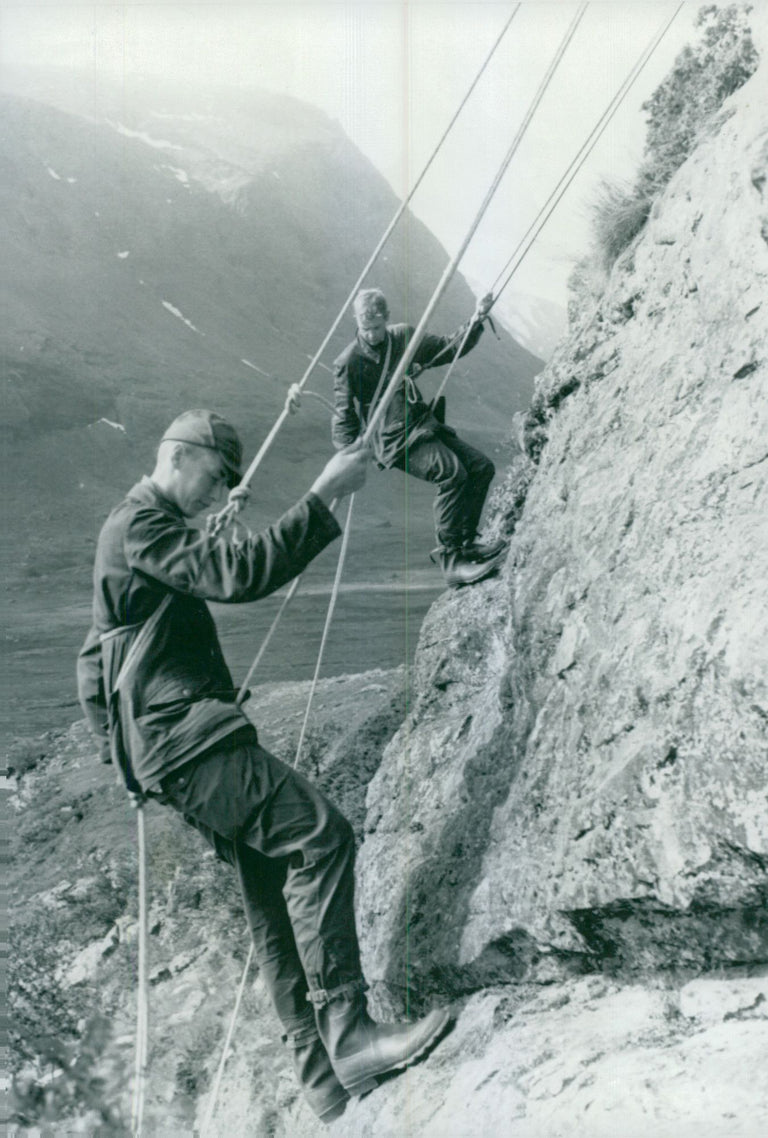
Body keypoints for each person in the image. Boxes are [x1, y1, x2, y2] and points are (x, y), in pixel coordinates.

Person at [76, 409, 451, 1125]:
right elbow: (241, 574)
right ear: (179, 458)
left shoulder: (133, 533)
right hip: (191, 742)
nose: (219, 497)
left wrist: (121, 754)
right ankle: (351, 1036)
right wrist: (324, 494)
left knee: (273, 895)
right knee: (321, 839)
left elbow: (93, 657)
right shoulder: (141, 527)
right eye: (216, 480)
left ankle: (323, 1080)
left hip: (171, 748)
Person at [331, 287, 507, 588]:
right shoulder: (349, 362)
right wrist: (349, 457)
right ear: (357, 322)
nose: (371, 335)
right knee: (451, 473)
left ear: (386, 319)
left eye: (376, 328)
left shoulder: (402, 337)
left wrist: (476, 319)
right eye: (365, 328)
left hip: (421, 424)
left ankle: (465, 544)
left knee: (481, 467)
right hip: (393, 441)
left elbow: (449, 347)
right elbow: (343, 415)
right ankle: (451, 562)